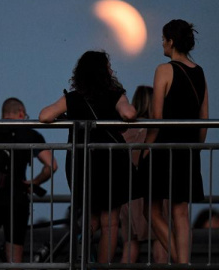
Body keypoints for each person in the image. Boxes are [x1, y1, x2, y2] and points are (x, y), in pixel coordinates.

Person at [39, 50, 136, 264]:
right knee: (110, 222)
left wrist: (67, 115)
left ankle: (82, 255)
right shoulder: (115, 94)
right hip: (111, 162)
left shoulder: (73, 98)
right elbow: (129, 114)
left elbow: (44, 115)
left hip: (82, 163)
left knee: (90, 217)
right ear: (105, 72)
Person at [140, 19, 208, 264]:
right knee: (180, 211)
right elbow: (204, 121)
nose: (162, 43)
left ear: (171, 41)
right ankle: (183, 262)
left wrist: (146, 148)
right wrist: (195, 148)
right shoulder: (199, 72)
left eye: (163, 39)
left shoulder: (164, 69)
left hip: (163, 149)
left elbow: (156, 118)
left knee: (151, 209)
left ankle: (181, 262)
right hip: (188, 150)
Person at [0, 97, 58, 263]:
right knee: (14, 258)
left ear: (3, 114)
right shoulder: (29, 134)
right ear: (21, 113)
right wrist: (35, 182)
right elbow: (51, 166)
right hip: (17, 200)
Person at [119, 86, 167, 264]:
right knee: (159, 242)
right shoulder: (156, 129)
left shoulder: (124, 131)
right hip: (154, 188)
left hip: (129, 192)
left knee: (130, 244)